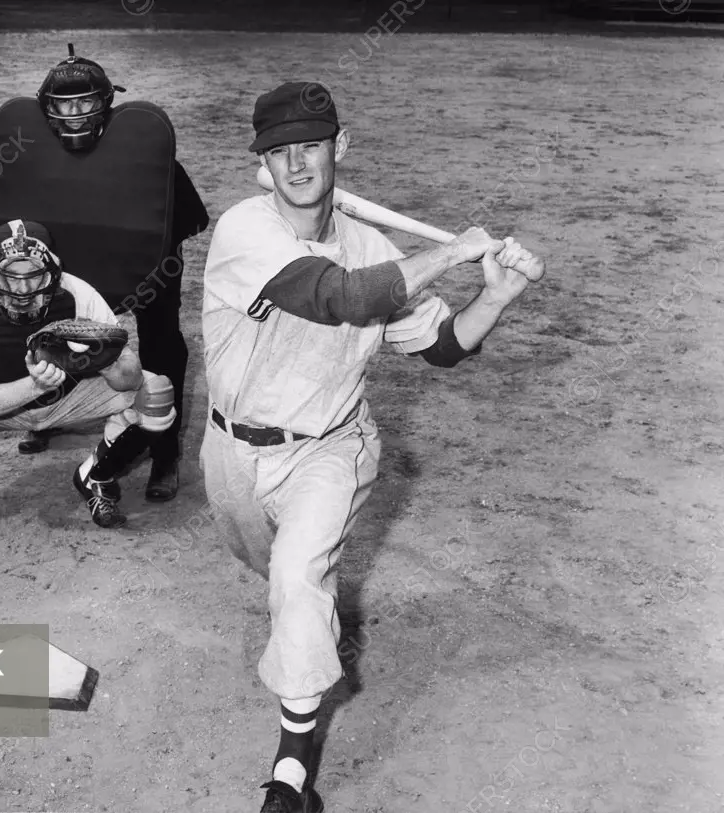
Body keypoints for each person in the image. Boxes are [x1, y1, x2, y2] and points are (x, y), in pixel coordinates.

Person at [199, 81, 545, 813]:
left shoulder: (373, 248)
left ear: (340, 147)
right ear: (262, 163)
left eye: (311, 147)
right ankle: (307, 617)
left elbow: (444, 346)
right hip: (229, 453)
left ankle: (291, 776)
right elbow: (342, 297)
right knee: (273, 573)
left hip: (331, 447)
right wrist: (450, 250)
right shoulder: (242, 232)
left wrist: (497, 298)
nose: (297, 165)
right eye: (279, 151)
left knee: (298, 578)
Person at [0, 11, 209, 503]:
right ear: (45, 110)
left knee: (161, 342)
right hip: (68, 259)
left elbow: (182, 217)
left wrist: (153, 262)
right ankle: (46, 411)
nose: (74, 116)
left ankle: (164, 452)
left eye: (85, 103)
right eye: (63, 107)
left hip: (140, 259)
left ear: (107, 103)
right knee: (38, 326)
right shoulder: (27, 141)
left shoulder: (141, 151)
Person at [0, 218, 176, 531]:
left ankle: (97, 477)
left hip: (73, 397)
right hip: (2, 400)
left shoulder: (81, 294)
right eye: (10, 277)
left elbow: (131, 380)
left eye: (33, 275)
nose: (22, 290)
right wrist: (36, 384)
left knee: (156, 394)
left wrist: (106, 362)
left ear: (52, 270)